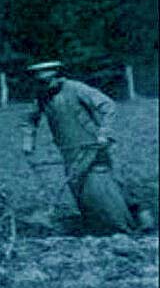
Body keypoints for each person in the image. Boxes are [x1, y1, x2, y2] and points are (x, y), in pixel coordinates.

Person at [21, 60, 139, 234]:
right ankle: (96, 229)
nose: (45, 85)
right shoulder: (41, 96)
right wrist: (28, 143)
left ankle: (125, 228)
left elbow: (108, 106)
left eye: (48, 81)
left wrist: (104, 133)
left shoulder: (77, 89)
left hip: (92, 145)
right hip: (68, 149)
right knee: (80, 189)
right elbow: (29, 120)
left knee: (100, 186)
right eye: (41, 82)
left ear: (58, 77)